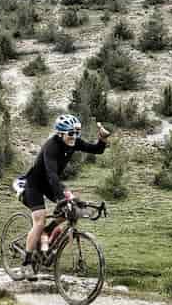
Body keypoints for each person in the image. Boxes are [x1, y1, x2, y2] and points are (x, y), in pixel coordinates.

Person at [17, 114, 110, 267]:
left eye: (77, 133)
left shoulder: (73, 143)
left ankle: (48, 232)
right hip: (35, 184)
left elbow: (96, 150)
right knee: (39, 221)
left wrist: (102, 139)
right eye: (71, 133)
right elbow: (51, 174)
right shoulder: (51, 147)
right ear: (60, 133)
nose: (74, 136)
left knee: (74, 209)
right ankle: (27, 261)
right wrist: (61, 200)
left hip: (52, 184)